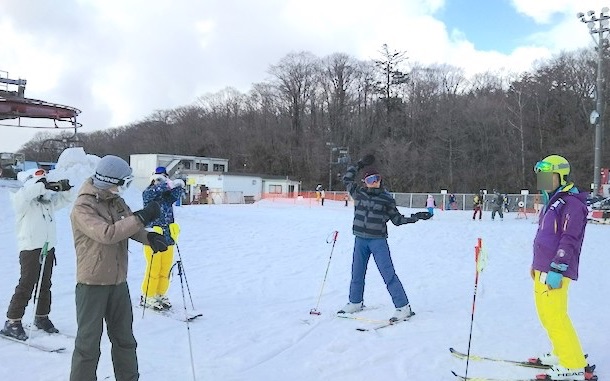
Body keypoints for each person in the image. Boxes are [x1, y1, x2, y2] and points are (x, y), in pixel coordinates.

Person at [69, 155, 167, 381]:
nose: (124, 188)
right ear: (109, 180)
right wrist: (142, 218)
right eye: (122, 182)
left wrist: (149, 237)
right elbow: (108, 234)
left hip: (118, 283)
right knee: (88, 345)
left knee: (125, 339)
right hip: (92, 285)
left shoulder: (116, 201)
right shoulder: (83, 207)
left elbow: (129, 226)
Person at [337, 154, 432, 322]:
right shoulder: (358, 193)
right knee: (357, 272)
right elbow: (347, 178)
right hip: (360, 239)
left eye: (377, 178)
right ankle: (355, 302)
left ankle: (403, 307)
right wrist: (359, 164)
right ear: (364, 181)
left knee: (388, 273)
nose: (375, 182)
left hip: (377, 240)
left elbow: (397, 220)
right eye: (371, 179)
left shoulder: (386, 198)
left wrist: (416, 216)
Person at [531, 155, 592, 381]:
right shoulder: (552, 201)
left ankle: (572, 363)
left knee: (556, 316)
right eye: (541, 176)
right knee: (546, 316)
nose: (544, 180)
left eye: (548, 176)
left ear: (561, 176)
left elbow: (570, 238)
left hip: (556, 269)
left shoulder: (572, 203)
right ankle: (562, 351)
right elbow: (544, 236)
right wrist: (536, 264)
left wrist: (557, 268)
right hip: (542, 267)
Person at [0, 169, 73, 341]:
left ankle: (41, 316)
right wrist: (42, 184)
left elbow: (65, 200)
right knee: (27, 284)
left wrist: (65, 188)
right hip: (30, 248)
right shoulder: (21, 200)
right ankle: (13, 321)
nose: (45, 186)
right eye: (42, 182)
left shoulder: (46, 203)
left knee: (45, 284)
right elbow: (28, 192)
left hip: (48, 247)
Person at [140, 166, 185, 310]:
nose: (159, 183)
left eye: (163, 179)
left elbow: (176, 195)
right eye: (157, 179)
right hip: (153, 236)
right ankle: (148, 295)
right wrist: (166, 184)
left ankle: (160, 293)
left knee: (165, 268)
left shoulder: (167, 197)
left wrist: (179, 184)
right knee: (154, 268)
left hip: (168, 236)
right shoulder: (148, 193)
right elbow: (152, 193)